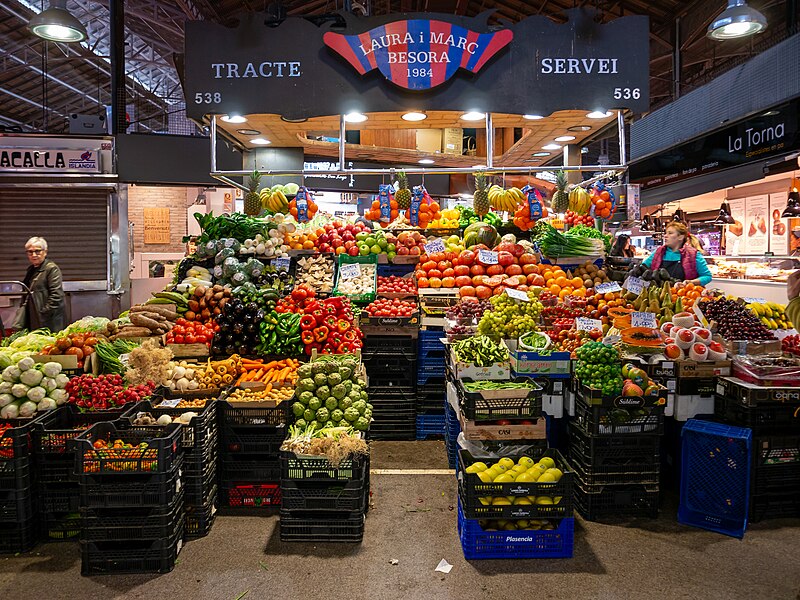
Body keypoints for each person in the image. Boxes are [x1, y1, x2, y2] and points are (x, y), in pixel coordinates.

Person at [12, 237, 66, 332]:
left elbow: (57, 296)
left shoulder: (51, 269)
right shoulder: (31, 270)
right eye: (30, 252)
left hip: (47, 322)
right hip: (34, 319)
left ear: (45, 252)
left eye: (37, 251)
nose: (34, 255)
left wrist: (42, 314)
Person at [642, 221, 712, 285]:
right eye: (665, 233)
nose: (665, 236)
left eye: (670, 233)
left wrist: (691, 282)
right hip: (659, 295)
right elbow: (643, 267)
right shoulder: (658, 253)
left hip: (683, 295)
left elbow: (707, 276)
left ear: (680, 237)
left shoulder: (693, 254)